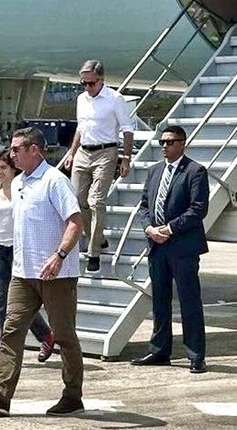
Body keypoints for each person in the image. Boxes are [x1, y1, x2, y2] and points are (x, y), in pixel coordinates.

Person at [0, 127, 84, 417]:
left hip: (56, 274)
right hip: (23, 274)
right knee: (11, 332)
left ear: (35, 150)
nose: (12, 152)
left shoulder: (55, 181)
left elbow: (75, 222)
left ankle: (72, 397)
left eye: (17, 148)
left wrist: (59, 255)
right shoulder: (18, 183)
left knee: (65, 336)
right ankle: (0, 395)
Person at [132, 125, 209, 374]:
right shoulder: (155, 171)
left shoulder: (195, 171)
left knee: (189, 301)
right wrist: (150, 229)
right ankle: (160, 350)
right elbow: (144, 205)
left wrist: (169, 229)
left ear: (182, 144)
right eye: (162, 142)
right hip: (157, 246)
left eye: (169, 142)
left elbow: (198, 209)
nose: (164, 146)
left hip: (183, 247)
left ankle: (196, 355)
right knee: (160, 302)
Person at [0, 149, 55, 370]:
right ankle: (5, 352)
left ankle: (45, 335)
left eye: (3, 168)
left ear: (13, 168)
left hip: (20, 249)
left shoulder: (22, 188)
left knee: (20, 303)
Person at [63, 59, 134, 272]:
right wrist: (71, 152)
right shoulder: (81, 99)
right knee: (77, 200)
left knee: (96, 201)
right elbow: (80, 128)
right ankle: (98, 237)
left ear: (101, 80)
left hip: (106, 151)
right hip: (84, 151)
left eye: (90, 84)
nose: (87, 88)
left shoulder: (115, 99)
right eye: (83, 83)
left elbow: (127, 129)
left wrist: (126, 157)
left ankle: (93, 252)